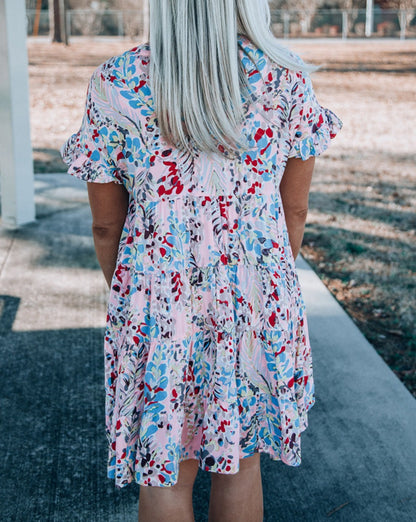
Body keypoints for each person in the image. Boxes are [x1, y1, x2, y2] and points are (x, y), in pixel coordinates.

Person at [61, 1, 342, 520]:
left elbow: (107, 226)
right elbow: (294, 210)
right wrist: (264, 285)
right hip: (255, 300)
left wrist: (136, 295)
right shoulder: (285, 79)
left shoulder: (116, 81)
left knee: (165, 465)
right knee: (240, 463)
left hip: (156, 301)